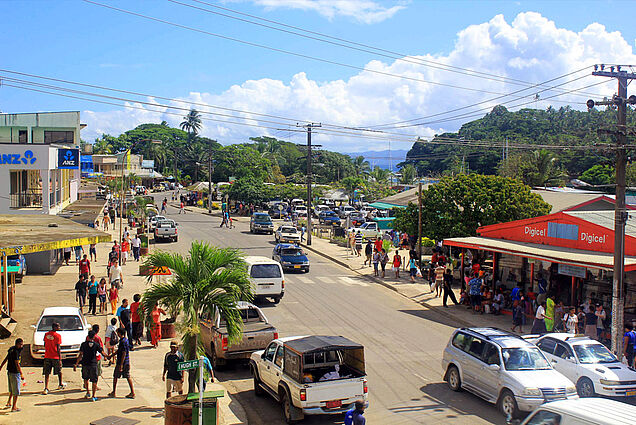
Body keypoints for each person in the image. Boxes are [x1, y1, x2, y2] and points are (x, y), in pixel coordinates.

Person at [74, 330, 104, 401]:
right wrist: (108, 356)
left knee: (85, 378)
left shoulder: (83, 344)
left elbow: (80, 355)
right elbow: (102, 352)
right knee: (94, 380)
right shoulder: (96, 345)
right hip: (93, 364)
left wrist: (76, 364)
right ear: (94, 337)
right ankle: (93, 396)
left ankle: (87, 392)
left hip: (85, 364)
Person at [109, 328, 135, 399]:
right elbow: (119, 351)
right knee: (127, 376)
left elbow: (123, 353)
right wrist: (112, 355)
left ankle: (114, 392)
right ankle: (132, 392)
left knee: (116, 376)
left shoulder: (123, 342)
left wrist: (121, 365)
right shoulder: (125, 340)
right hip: (126, 362)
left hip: (122, 362)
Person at [0, 338, 24, 412]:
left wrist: (1, 366)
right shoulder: (16, 352)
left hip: (9, 371)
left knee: (11, 388)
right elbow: (17, 364)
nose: (21, 346)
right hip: (15, 372)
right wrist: (21, 373)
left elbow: (6, 358)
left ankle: (9, 402)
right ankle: (14, 407)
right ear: (17, 344)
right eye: (20, 344)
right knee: (16, 390)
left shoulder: (11, 349)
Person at [42, 322, 65, 394]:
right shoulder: (58, 336)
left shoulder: (46, 334)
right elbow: (58, 348)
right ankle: (60, 384)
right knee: (59, 371)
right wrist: (60, 358)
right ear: (54, 327)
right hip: (55, 356)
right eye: (58, 326)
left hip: (47, 355)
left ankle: (46, 387)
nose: (59, 327)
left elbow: (45, 344)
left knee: (47, 373)